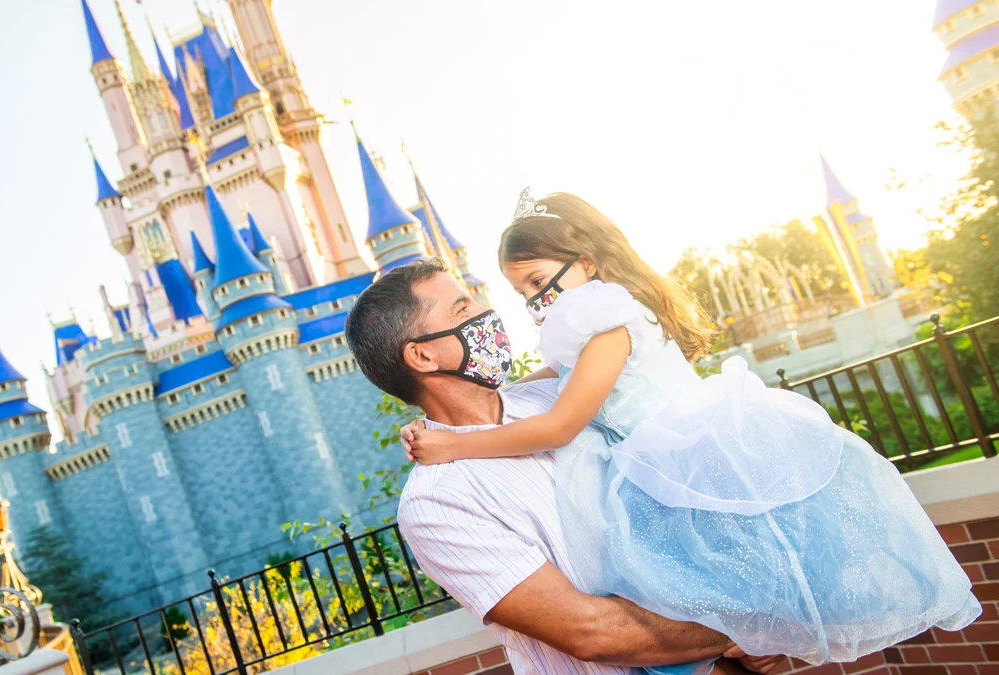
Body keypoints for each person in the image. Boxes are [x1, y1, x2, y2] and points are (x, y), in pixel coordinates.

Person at [404, 189, 981, 673]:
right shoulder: (598, 325)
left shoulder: (606, 324)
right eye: (523, 292)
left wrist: (455, 445)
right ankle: (737, 642)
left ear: (585, 261)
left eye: (537, 281)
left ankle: (750, 636)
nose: (535, 301)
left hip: (676, 458)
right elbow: (554, 378)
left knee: (719, 577)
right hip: (661, 461)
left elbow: (559, 425)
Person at [345, 258, 783, 675]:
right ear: (422, 357)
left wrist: (753, 624)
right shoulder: (436, 503)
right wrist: (738, 629)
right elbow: (589, 630)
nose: (485, 313)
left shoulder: (554, 401)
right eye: (463, 309)